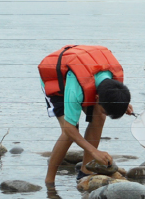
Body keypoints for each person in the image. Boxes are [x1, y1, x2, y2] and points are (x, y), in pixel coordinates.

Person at [38, 45, 133, 186]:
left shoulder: (112, 81)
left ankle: (85, 172)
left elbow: (115, 95)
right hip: (57, 83)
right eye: (104, 108)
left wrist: (122, 104)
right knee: (69, 132)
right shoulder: (76, 90)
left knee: (99, 116)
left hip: (86, 75)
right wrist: (94, 152)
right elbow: (69, 129)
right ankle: (49, 181)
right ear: (96, 98)